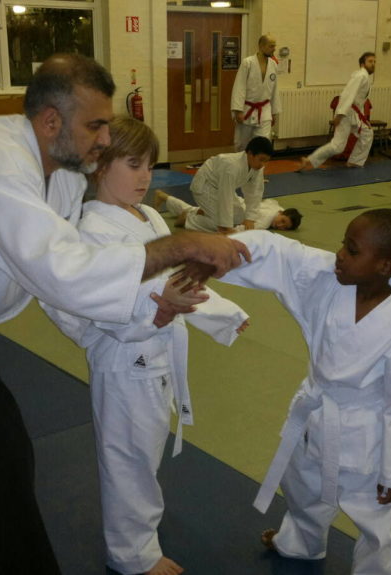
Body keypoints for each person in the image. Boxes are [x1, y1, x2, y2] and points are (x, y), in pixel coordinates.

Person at [0, 54, 250, 574]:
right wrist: (179, 245)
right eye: (96, 125)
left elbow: (64, 281)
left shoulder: (61, 171)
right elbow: (60, 271)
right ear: (52, 121)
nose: (105, 140)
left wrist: (151, 304)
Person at [44, 117, 250, 575]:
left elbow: (179, 278)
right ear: (98, 165)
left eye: (150, 166)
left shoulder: (149, 215)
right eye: (133, 165)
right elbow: (100, 299)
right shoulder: (92, 228)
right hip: (123, 358)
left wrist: (225, 315)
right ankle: (132, 554)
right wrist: (157, 310)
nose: (145, 177)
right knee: (127, 458)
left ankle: (141, 521)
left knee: (145, 448)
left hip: (155, 354)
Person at [218, 209, 391, 574]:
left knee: (378, 523)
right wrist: (214, 251)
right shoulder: (328, 281)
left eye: (351, 250)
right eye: (343, 245)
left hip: (367, 438)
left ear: (385, 265)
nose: (339, 255)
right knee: (303, 489)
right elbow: (283, 256)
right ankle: (301, 543)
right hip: (315, 415)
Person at [299, 52, 376, 171]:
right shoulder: (360, 76)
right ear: (362, 64)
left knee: (367, 133)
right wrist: (339, 115)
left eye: (374, 62)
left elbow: (358, 101)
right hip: (346, 114)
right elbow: (347, 95)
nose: (373, 64)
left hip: (354, 114)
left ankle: (355, 162)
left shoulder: (364, 77)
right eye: (370, 61)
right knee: (338, 146)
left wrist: (364, 120)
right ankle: (309, 160)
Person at [188, 136, 274, 234]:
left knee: (240, 217)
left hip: (222, 187)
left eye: (266, 161)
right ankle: (189, 218)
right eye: (261, 159)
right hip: (205, 186)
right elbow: (225, 196)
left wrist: (250, 218)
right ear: (250, 154)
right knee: (218, 225)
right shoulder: (232, 166)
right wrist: (226, 227)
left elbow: (254, 192)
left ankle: (204, 211)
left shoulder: (257, 167)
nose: (263, 164)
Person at [154, 190, 302, 232]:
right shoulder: (265, 222)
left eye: (285, 227)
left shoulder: (276, 208)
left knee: (194, 209)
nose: (280, 226)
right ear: (281, 214)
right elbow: (244, 229)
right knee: (214, 226)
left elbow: (274, 203)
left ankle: (165, 198)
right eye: (283, 221)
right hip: (231, 213)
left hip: (232, 202)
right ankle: (187, 219)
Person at [231, 34, 280, 152]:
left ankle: (258, 170)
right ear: (261, 46)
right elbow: (239, 86)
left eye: (274, 46)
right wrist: (238, 110)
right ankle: (241, 169)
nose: (274, 49)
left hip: (265, 110)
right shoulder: (247, 63)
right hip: (247, 109)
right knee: (242, 145)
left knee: (263, 145)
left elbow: (274, 89)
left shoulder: (273, 65)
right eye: (271, 46)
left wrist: (273, 112)